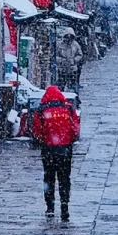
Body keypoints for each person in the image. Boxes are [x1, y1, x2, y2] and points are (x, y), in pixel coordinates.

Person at [32, 85, 80, 221]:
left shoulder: (42, 110)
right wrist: (69, 140)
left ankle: (50, 207)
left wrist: (44, 141)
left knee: (49, 178)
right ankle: (64, 205)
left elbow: (36, 130)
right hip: (64, 149)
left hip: (49, 149)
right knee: (65, 178)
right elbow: (75, 128)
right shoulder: (68, 109)